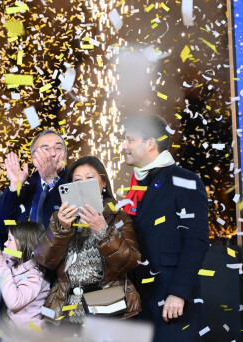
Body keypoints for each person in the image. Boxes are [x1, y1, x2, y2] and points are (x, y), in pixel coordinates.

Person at [121, 115, 209, 341]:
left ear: (150, 143)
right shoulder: (134, 185)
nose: (123, 147)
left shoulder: (185, 180)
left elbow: (196, 241)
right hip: (138, 302)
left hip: (170, 300)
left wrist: (178, 293)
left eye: (129, 140)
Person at [34, 156, 141, 329]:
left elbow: (131, 261)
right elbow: (45, 260)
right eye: (77, 180)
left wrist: (103, 231)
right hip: (66, 309)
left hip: (108, 308)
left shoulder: (118, 215)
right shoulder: (59, 217)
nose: (83, 184)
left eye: (89, 178)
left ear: (103, 182)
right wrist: (62, 229)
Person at [0, 129, 68, 234]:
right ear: (33, 159)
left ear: (66, 155)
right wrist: (15, 185)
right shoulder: (26, 188)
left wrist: (52, 179)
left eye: (58, 148)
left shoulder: (75, 181)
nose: (53, 153)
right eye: (46, 149)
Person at [0, 221, 50, 338]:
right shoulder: (16, 260)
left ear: (23, 244)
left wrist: (2, 266)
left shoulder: (35, 275)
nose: (5, 243)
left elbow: (14, 302)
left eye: (9, 240)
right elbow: (2, 254)